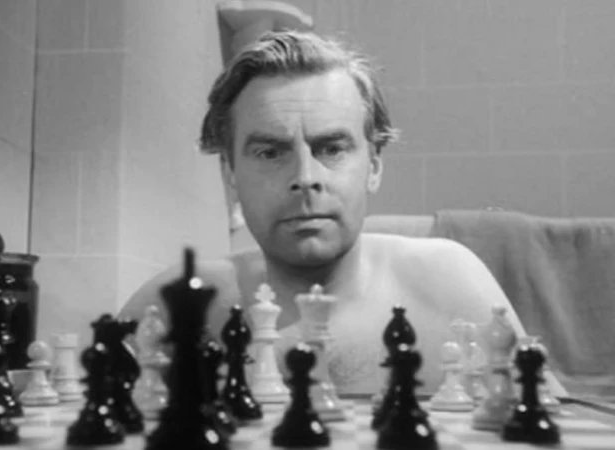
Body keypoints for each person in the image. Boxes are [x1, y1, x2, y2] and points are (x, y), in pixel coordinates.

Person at [119, 30, 532, 395]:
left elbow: (548, 424)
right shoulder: (172, 304)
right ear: (229, 173)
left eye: (332, 148)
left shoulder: (452, 283)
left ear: (374, 165)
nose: (305, 177)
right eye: (269, 152)